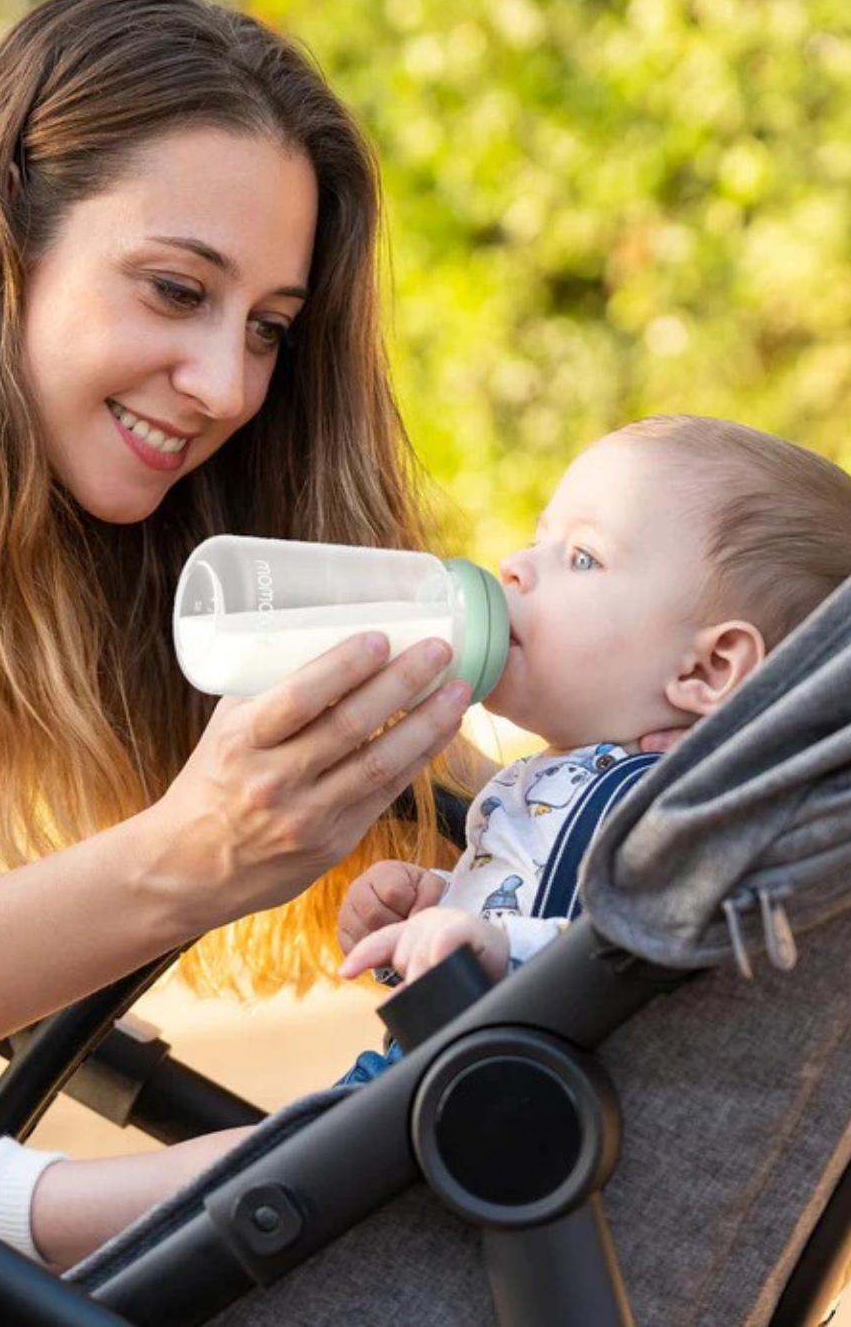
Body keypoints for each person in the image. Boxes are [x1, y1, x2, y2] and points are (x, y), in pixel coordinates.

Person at [0, 0, 476, 1274]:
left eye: (271, 329)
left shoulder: (134, 554)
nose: (229, 386)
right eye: (177, 290)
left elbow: (487, 809)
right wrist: (186, 857)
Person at [337, 414, 851, 1014]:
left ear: (705, 670)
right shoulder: (552, 776)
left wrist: (498, 949)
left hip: (504, 1095)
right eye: (538, 539)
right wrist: (439, 907)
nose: (512, 565)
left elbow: (632, 958)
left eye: (582, 558)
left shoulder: (668, 818)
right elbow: (540, 903)